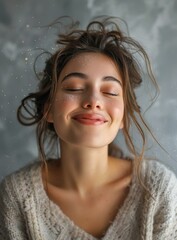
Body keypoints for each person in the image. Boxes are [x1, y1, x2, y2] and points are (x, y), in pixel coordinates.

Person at [0, 16, 177, 240]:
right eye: (74, 88)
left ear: (123, 116)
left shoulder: (158, 189)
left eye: (110, 92)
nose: (94, 101)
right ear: (48, 109)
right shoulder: (17, 196)